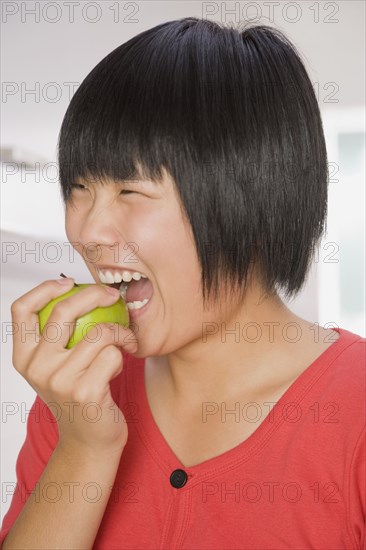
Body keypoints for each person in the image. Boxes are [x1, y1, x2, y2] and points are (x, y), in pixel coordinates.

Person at [1, 16, 364, 550]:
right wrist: (84, 445)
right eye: (79, 187)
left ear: (248, 203)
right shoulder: (79, 395)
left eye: (130, 190)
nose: (87, 231)